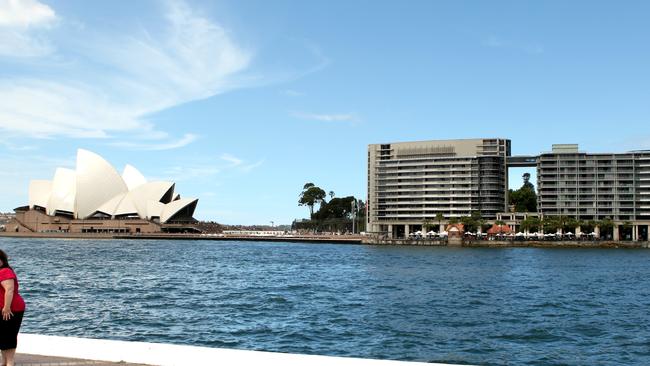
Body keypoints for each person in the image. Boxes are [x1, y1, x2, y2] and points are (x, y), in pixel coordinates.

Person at [0, 250, 25, 366]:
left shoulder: (5, 271)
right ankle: (4, 361)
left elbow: (9, 290)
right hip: (5, 308)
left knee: (8, 335)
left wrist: (6, 308)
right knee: (3, 335)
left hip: (11, 309)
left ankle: (10, 362)